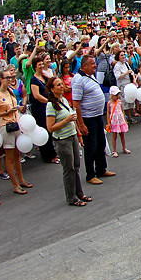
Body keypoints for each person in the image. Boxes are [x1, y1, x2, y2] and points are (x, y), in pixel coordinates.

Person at [46, 77, 91, 207]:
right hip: (62, 140)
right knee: (68, 169)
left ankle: (80, 193)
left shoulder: (64, 100)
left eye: (61, 84)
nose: (61, 86)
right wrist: (66, 120)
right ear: (52, 89)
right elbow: (50, 127)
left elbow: (73, 118)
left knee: (76, 166)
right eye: (58, 85)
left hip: (72, 136)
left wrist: (79, 134)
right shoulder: (51, 105)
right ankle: (71, 197)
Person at [72, 55, 115, 185]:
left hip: (97, 116)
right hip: (87, 118)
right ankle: (90, 174)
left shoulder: (90, 76)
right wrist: (81, 124)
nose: (95, 65)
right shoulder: (78, 80)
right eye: (92, 64)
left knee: (101, 143)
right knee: (91, 147)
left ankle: (101, 169)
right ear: (84, 66)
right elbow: (76, 104)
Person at [0, 70, 30, 195]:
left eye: (10, 77)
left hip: (16, 123)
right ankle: (15, 184)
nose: (10, 79)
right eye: (7, 77)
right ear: (1, 79)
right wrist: (6, 113)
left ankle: (21, 180)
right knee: (9, 157)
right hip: (6, 126)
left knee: (17, 155)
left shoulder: (10, 91)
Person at [29, 53, 60, 164]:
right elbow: (37, 95)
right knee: (44, 129)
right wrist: (49, 101)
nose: (42, 66)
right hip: (40, 108)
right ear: (35, 66)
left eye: (42, 64)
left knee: (50, 129)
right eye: (39, 64)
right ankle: (48, 155)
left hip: (47, 107)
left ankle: (53, 152)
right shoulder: (34, 80)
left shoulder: (44, 77)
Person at [106, 86, 130, 158]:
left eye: (118, 94)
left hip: (120, 119)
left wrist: (125, 120)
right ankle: (114, 150)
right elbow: (108, 113)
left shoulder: (119, 102)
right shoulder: (109, 103)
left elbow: (122, 110)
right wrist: (109, 122)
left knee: (122, 134)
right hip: (114, 120)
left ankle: (124, 147)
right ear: (112, 95)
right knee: (114, 136)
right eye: (116, 95)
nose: (117, 96)